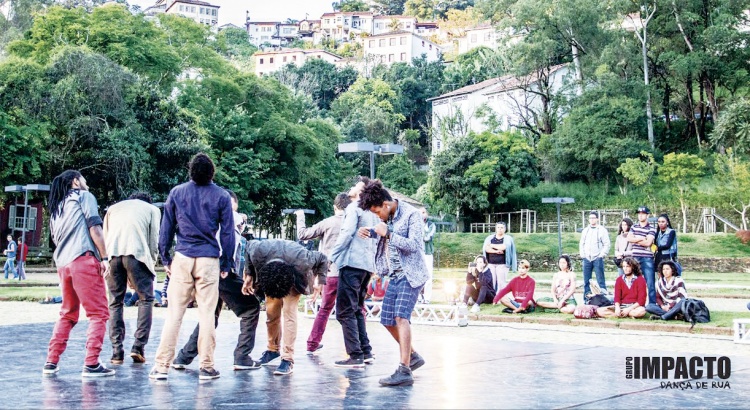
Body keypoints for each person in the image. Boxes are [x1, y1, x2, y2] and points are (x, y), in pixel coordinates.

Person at [149, 153, 235, 381]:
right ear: (212, 172)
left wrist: (166, 258)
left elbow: (166, 228)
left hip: (183, 257)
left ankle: (161, 367)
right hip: (208, 259)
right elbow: (227, 233)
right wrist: (227, 262)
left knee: (174, 314)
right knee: (207, 315)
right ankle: (207, 366)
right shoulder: (222, 196)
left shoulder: (177, 193)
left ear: (191, 171)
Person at [170, 189, 266, 373]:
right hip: (220, 270)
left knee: (209, 316)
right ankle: (242, 356)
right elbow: (234, 220)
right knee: (251, 307)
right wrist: (240, 216)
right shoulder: (226, 216)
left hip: (204, 269)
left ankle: (183, 357)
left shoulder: (205, 218)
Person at [42, 170, 114, 377]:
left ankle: (51, 361)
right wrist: (104, 257)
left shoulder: (57, 206)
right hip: (83, 259)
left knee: (67, 313)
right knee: (99, 313)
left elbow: (55, 239)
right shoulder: (84, 197)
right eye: (83, 179)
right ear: (75, 181)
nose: (86, 183)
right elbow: (95, 227)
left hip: (63, 263)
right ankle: (91, 363)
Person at [358, 179, 428, 387]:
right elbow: (384, 238)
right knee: (387, 319)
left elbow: (414, 245)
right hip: (394, 275)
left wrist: (387, 233)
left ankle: (404, 369)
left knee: (400, 316)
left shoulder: (411, 215)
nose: (376, 215)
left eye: (377, 211)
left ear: (386, 205)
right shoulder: (387, 216)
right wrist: (372, 233)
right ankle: (413, 356)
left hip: (411, 275)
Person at [243, 239, 329, 376]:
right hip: (272, 271)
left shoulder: (303, 258)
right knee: (271, 313)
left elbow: (323, 258)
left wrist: (321, 282)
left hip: (293, 275)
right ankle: (272, 349)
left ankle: (287, 358)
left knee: (289, 314)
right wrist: (248, 274)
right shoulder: (257, 251)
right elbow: (247, 247)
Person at [103, 192, 161, 365]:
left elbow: (106, 236)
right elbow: (153, 240)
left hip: (113, 255)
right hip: (137, 254)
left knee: (115, 302)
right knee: (146, 299)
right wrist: (151, 263)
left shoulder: (113, 209)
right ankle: (138, 347)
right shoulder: (152, 209)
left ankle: (116, 351)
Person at [329, 177, 377, 368]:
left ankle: (355, 354)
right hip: (366, 266)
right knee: (357, 309)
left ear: (361, 192)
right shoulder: (373, 211)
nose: (351, 187)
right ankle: (366, 351)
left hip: (352, 264)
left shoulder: (354, 208)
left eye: (355, 185)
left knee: (345, 311)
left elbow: (347, 233)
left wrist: (331, 256)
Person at [297, 193, 350, 355]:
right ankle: (360, 347)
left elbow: (303, 235)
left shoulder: (328, 223)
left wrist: (300, 217)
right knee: (355, 310)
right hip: (349, 274)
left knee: (325, 309)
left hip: (330, 274)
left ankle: (312, 343)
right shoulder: (352, 223)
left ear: (335, 207)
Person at [579, 211, 611, 303]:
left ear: (597, 219)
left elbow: (606, 244)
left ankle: (604, 300)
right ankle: (587, 300)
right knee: (586, 282)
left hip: (597, 258)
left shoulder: (602, 230)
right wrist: (583, 255)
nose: (592, 219)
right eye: (590, 218)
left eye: (593, 218)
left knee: (600, 281)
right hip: (587, 259)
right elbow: (582, 243)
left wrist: (601, 255)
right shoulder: (585, 230)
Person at [628, 206, 657, 305]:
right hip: (635, 257)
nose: (640, 216)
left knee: (650, 283)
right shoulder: (634, 227)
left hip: (647, 257)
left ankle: (652, 305)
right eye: (639, 214)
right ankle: (636, 303)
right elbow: (629, 239)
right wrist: (641, 238)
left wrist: (636, 238)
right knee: (635, 282)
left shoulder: (651, 228)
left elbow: (648, 243)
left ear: (647, 215)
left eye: (643, 214)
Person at [482, 222, 517, 293]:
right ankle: (492, 297)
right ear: (496, 228)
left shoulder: (508, 238)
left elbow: (504, 246)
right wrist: (496, 251)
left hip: (502, 264)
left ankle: (501, 298)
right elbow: (486, 249)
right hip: (490, 263)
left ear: (505, 229)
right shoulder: (490, 238)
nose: (500, 229)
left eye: (502, 228)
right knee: (492, 281)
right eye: (498, 227)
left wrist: (491, 245)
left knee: (501, 282)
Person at [420, 208, 436, 304]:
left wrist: (420, 232)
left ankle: (427, 298)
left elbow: (427, 237)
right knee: (417, 276)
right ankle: (418, 298)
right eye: (420, 213)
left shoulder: (431, 225)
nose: (422, 214)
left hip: (427, 254)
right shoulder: (414, 224)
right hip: (417, 254)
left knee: (428, 277)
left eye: (423, 212)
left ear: (427, 214)